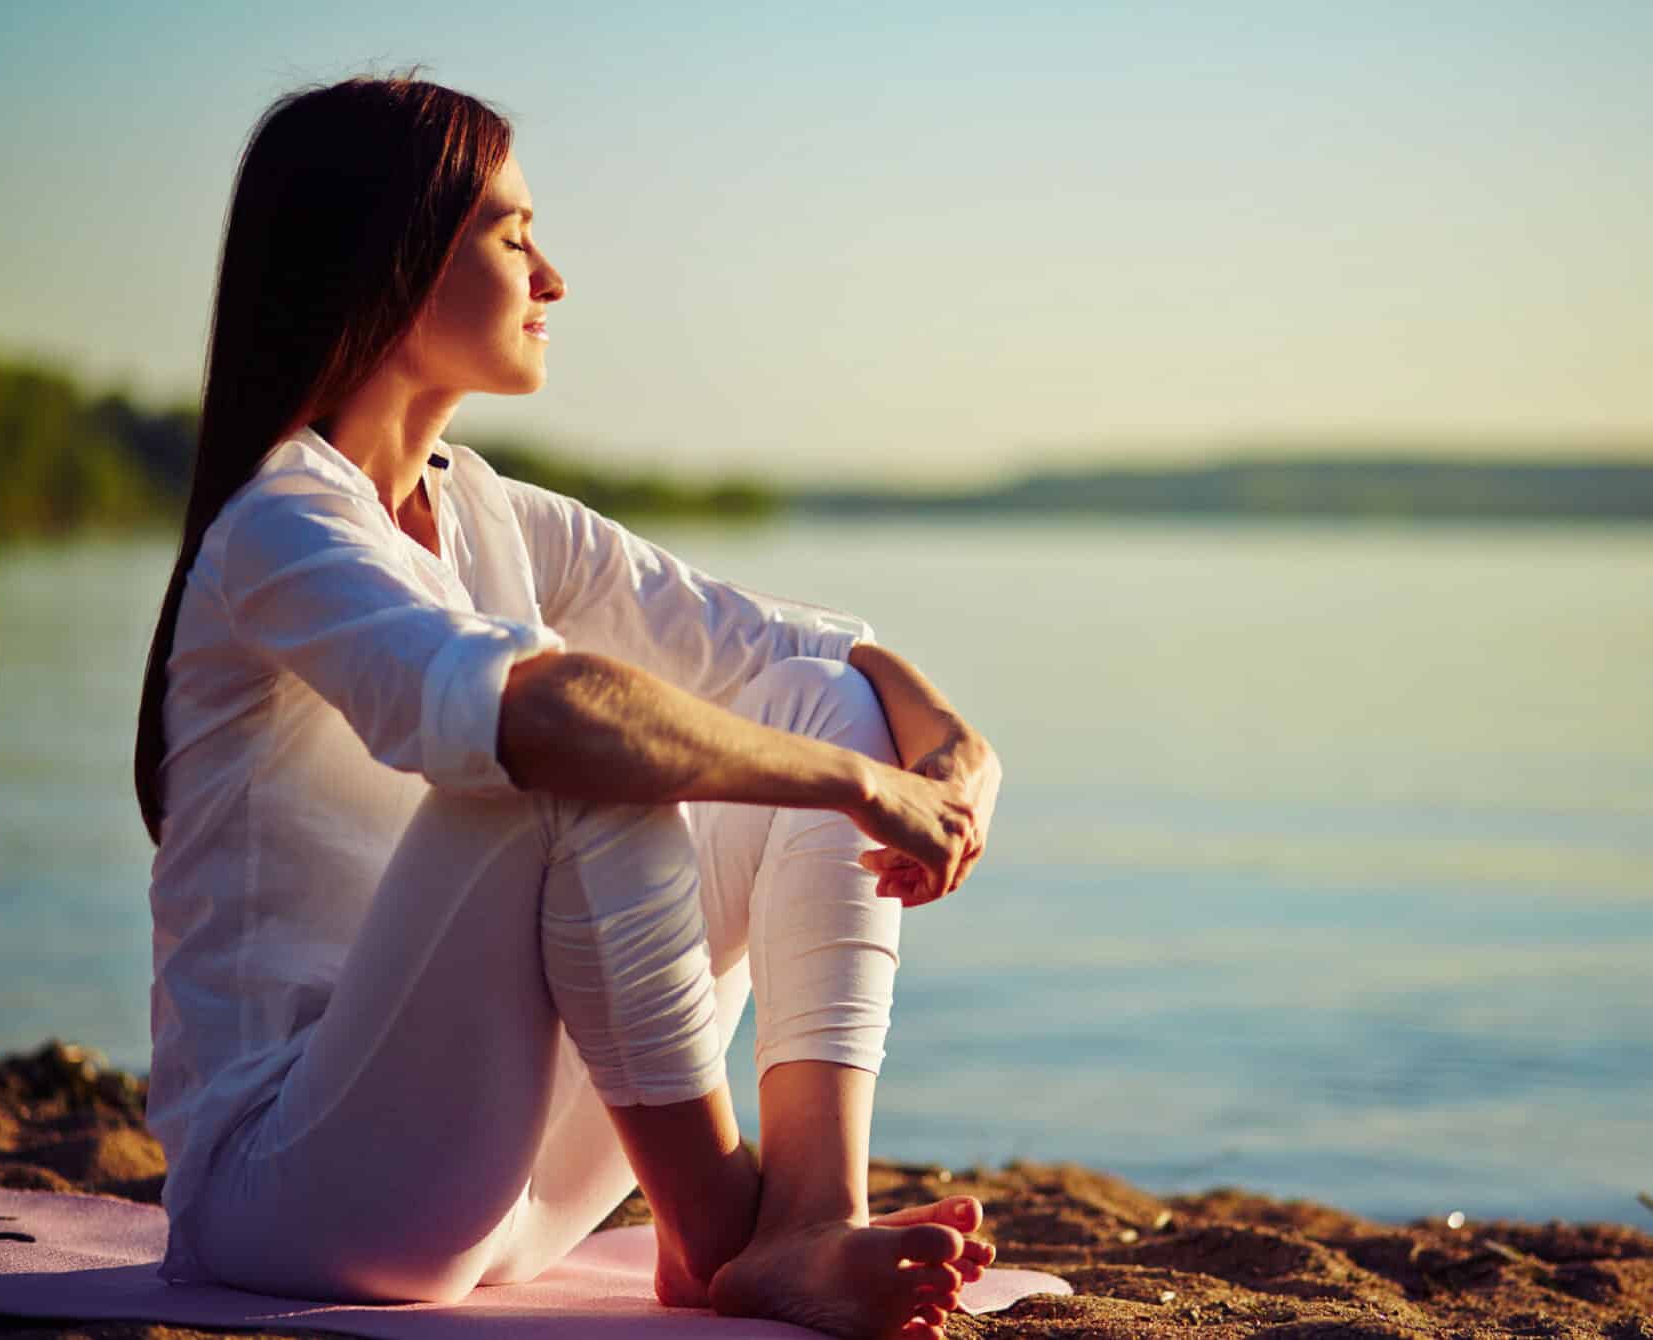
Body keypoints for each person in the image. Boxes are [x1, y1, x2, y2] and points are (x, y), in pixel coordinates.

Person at [132, 75, 1004, 1340]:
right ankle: (718, 1235)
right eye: (509, 232)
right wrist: (859, 785)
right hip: (297, 1193)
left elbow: (800, 647)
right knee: (574, 751)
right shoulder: (282, 522)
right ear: (392, 259)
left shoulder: (488, 508)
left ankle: (808, 1213)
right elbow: (541, 713)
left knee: (814, 700)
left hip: (522, 1188)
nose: (551, 276)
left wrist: (954, 748)